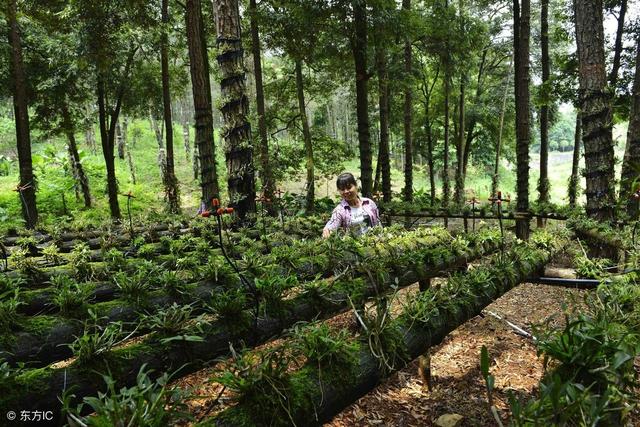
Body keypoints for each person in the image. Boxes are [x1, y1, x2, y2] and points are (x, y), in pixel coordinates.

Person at [322, 172, 381, 238]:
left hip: (373, 243)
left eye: (349, 187)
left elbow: (378, 224)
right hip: (354, 247)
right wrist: (327, 229)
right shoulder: (340, 210)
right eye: (342, 189)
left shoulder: (369, 203)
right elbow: (332, 223)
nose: (346, 191)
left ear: (355, 186)